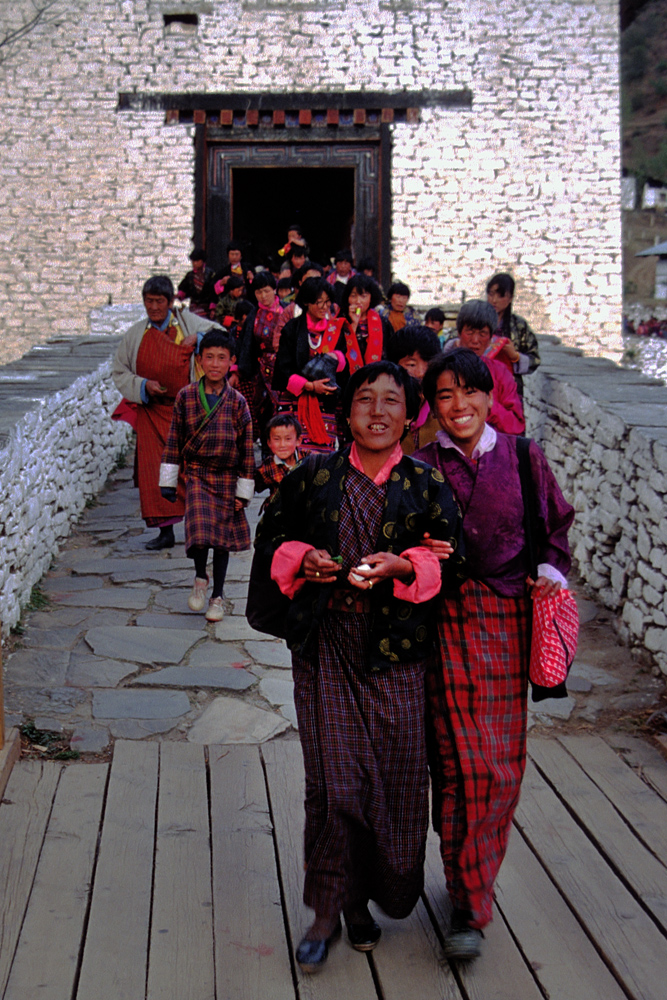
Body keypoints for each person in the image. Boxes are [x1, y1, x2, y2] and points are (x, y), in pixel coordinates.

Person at [252, 361, 462, 972]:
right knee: (333, 783)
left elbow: (453, 558)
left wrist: (406, 566)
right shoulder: (314, 476)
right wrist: (306, 557)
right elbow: (272, 540)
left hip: (397, 654)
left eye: (391, 401)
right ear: (345, 414)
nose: (376, 412)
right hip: (328, 649)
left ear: (410, 415)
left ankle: (375, 894)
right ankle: (329, 909)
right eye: (364, 400)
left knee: (395, 781)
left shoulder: (426, 485)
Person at [415, 348, 574, 961]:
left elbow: (555, 529)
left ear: (489, 396)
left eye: (470, 393)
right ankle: (467, 902)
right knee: (457, 765)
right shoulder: (420, 465)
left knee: (498, 769)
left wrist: (547, 572)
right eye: (446, 396)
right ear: (434, 404)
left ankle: (468, 888)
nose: (459, 407)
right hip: (444, 626)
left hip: (507, 622)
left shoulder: (524, 457)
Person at [111, 276, 220, 550]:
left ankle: (201, 525)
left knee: (191, 467)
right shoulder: (136, 334)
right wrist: (143, 385)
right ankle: (165, 531)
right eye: (149, 301)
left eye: (160, 301)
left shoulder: (187, 324)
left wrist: (202, 338)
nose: (154, 307)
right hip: (151, 411)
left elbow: (222, 336)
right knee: (157, 471)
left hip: (187, 410)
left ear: (170, 302)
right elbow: (120, 371)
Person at [159, 329, 254, 622]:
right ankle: (201, 576)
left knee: (221, 540)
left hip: (227, 476)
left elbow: (247, 448)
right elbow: (174, 438)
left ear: (231, 362)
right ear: (199, 360)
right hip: (198, 474)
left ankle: (218, 596)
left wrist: (243, 491)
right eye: (209, 357)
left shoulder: (238, 402)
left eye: (221, 358)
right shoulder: (186, 397)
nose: (215, 364)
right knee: (200, 535)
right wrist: (169, 479)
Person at [272, 278, 348, 454]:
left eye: (327, 302)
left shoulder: (334, 329)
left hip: (326, 401)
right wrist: (310, 386)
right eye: (318, 302)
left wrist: (335, 357)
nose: (324, 307)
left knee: (321, 456)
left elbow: (345, 362)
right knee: (292, 451)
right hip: (295, 398)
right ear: (306, 302)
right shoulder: (292, 328)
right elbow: (283, 367)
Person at [444, 300, 525, 435]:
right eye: (469, 332)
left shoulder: (500, 373)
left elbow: (516, 425)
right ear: (459, 332)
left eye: (482, 333)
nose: (475, 340)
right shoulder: (443, 370)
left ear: (490, 338)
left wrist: (488, 405)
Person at [234, 271, 283, 439]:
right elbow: (245, 344)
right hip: (260, 371)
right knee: (262, 411)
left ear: (275, 289)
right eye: (258, 292)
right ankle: (266, 450)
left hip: (282, 369)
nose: (263, 296)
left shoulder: (287, 311)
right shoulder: (253, 316)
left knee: (283, 411)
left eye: (266, 291)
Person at [387, 324, 442, 453]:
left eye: (428, 365)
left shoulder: (442, 413)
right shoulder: (382, 412)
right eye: (411, 364)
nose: (421, 373)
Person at [486, 272, 540, 394]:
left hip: (509, 387)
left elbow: (534, 359)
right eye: (491, 294)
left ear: (510, 298)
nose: (494, 300)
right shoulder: (477, 319)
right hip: (481, 383)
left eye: (501, 296)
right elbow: (455, 341)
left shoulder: (519, 326)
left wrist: (515, 356)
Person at [336, 274, 392, 373]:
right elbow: (337, 354)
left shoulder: (383, 322)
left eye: (363, 296)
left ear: (371, 297)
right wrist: (353, 324)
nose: (358, 301)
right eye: (353, 296)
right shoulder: (338, 321)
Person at [254, 411, 303, 508]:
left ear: (298, 441)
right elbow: (252, 485)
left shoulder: (308, 460)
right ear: (269, 443)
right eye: (276, 439)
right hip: (278, 513)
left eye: (288, 439)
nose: (282, 445)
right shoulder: (267, 467)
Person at [177, 249, 216, 318]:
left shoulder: (210, 274)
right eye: (193, 261)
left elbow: (214, 292)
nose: (194, 263)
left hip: (207, 307)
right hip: (194, 306)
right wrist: (179, 295)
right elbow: (183, 288)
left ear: (203, 261)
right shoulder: (190, 275)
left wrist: (213, 308)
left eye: (197, 261)